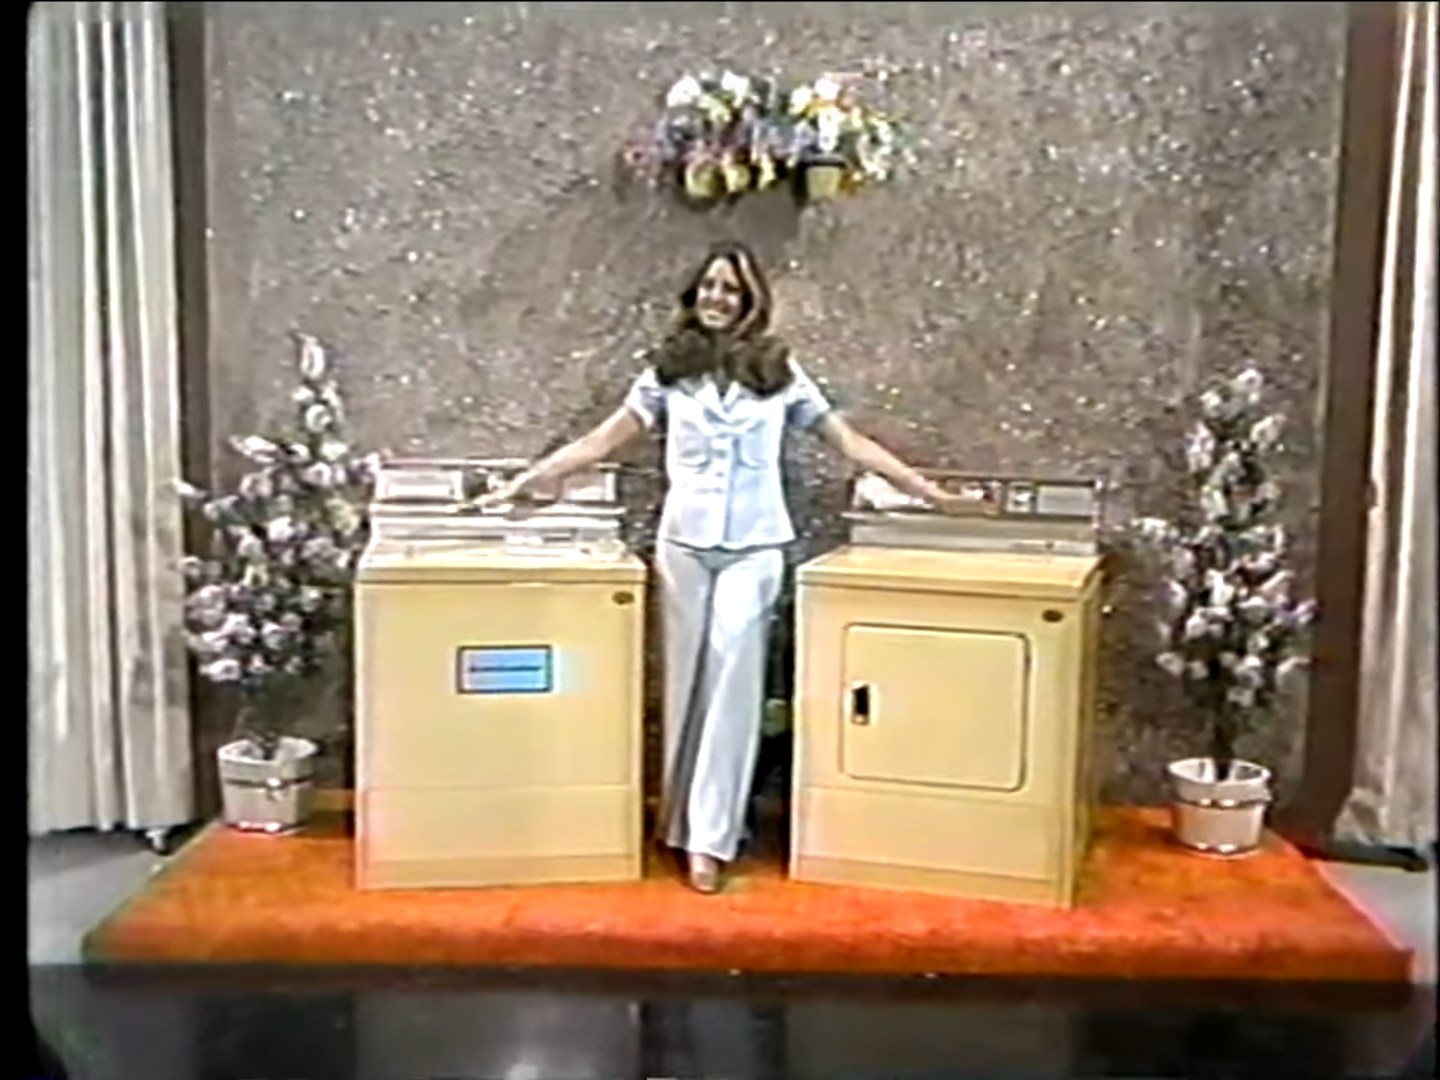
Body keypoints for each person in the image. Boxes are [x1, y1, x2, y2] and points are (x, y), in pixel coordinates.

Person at [482, 241, 979, 894]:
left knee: (735, 685)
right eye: (710, 287)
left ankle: (711, 838)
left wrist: (928, 492)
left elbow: (847, 441)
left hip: (756, 545)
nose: (719, 299)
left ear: (751, 303)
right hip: (684, 545)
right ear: (694, 297)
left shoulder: (779, 372)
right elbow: (603, 441)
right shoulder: (666, 373)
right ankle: (682, 822)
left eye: (732, 291)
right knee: (687, 686)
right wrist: (530, 479)